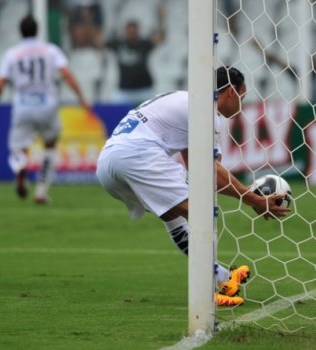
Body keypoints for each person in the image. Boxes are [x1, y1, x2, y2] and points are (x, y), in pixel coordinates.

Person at [96, 66, 291, 306]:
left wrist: (247, 196)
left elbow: (198, 171)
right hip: (138, 156)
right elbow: (210, 173)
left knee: (174, 216)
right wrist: (255, 199)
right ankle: (206, 296)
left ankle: (224, 277)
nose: (241, 104)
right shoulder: (206, 113)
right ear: (230, 91)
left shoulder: (185, 101)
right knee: (202, 214)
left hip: (107, 165)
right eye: (242, 96)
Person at [0, 14, 92, 204]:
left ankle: (20, 169)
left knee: (19, 148)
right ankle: (41, 191)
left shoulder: (11, 54)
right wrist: (81, 97)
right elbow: (66, 74)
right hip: (47, 105)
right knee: (50, 144)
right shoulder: (50, 50)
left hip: (22, 106)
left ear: (20, 31)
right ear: (38, 30)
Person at [104, 5, 167, 106]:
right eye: (130, 32)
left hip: (144, 89)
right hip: (124, 90)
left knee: (153, 109)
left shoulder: (144, 44)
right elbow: (98, 43)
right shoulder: (118, 44)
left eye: (134, 32)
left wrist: (161, 19)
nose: (132, 34)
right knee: (113, 109)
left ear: (138, 31)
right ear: (126, 31)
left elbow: (162, 38)